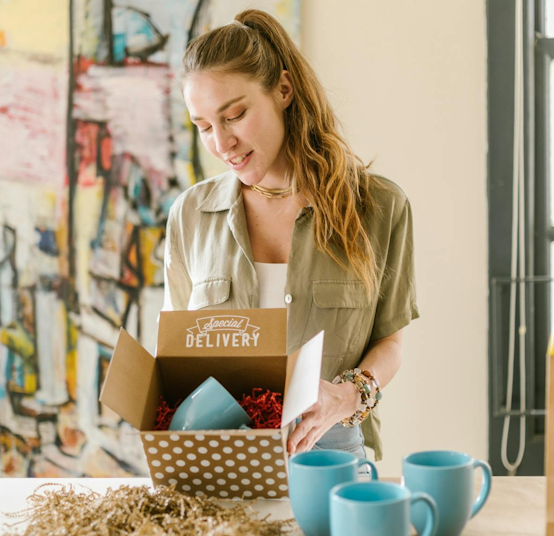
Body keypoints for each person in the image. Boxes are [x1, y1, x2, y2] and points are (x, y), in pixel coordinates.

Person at [164, 9, 418, 461]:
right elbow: (177, 355)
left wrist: (349, 394)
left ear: (283, 89)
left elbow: (390, 342)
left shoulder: (380, 207)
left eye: (235, 115)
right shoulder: (190, 214)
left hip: (333, 467)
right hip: (223, 474)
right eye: (203, 127)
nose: (221, 145)